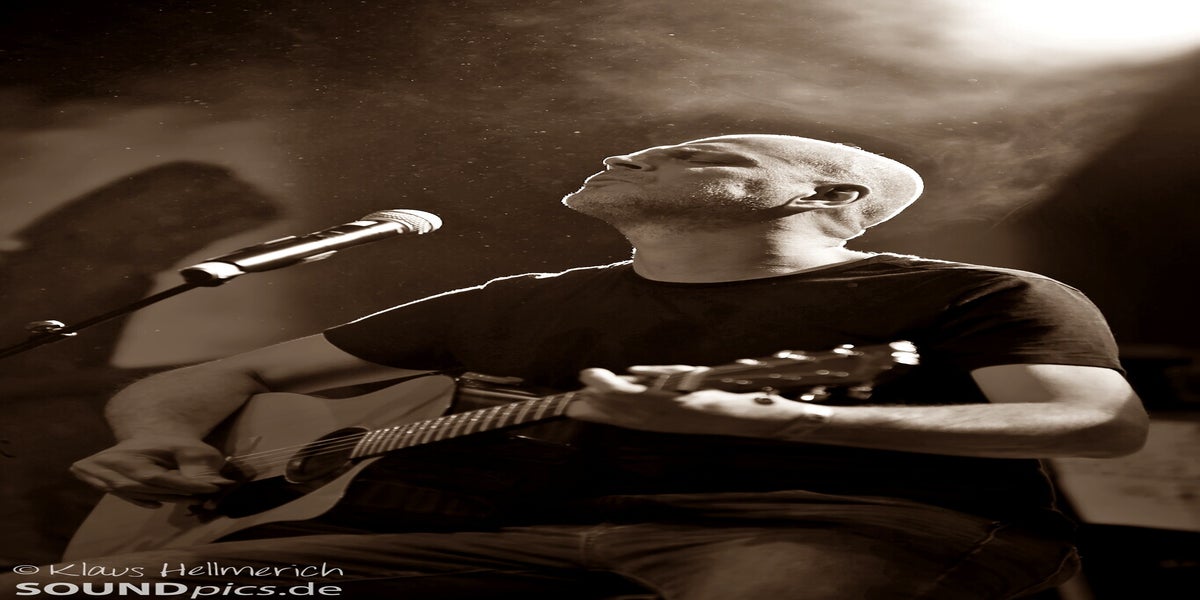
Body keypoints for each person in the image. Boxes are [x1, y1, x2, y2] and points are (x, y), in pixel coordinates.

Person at [5, 134, 1148, 599]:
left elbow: (1096, 424)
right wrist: (161, 434)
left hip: (829, 526)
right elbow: (229, 376)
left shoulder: (978, 295)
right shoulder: (519, 301)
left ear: (830, 194)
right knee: (77, 590)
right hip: (470, 543)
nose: (635, 151)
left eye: (696, 151)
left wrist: (793, 423)